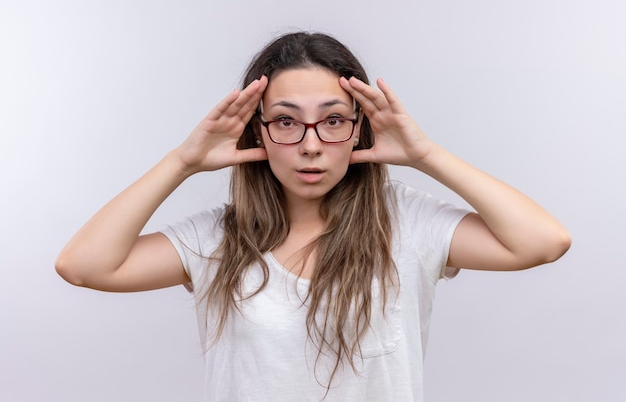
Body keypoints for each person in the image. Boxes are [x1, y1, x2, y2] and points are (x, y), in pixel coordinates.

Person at [55, 32, 571, 401]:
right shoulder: (216, 238)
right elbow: (84, 266)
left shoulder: (408, 223)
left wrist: (425, 154)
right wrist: (182, 162)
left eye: (332, 121)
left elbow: (542, 242)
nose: (310, 146)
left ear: (358, 129)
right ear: (256, 131)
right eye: (285, 121)